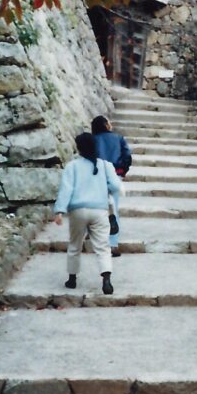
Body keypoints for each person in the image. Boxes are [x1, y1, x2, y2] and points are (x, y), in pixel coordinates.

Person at [53, 132, 121, 295]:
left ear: (79, 148)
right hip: (99, 210)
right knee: (103, 247)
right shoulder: (105, 165)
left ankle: (72, 279)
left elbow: (66, 189)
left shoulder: (72, 166)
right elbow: (116, 186)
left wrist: (59, 210)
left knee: (75, 245)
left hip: (77, 211)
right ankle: (106, 280)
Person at [91, 114, 132, 258]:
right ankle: (113, 244)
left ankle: (96, 240)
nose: (111, 124)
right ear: (105, 125)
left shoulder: (92, 140)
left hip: (96, 176)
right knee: (113, 209)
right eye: (108, 122)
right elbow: (127, 156)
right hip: (115, 175)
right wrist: (123, 171)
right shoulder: (118, 138)